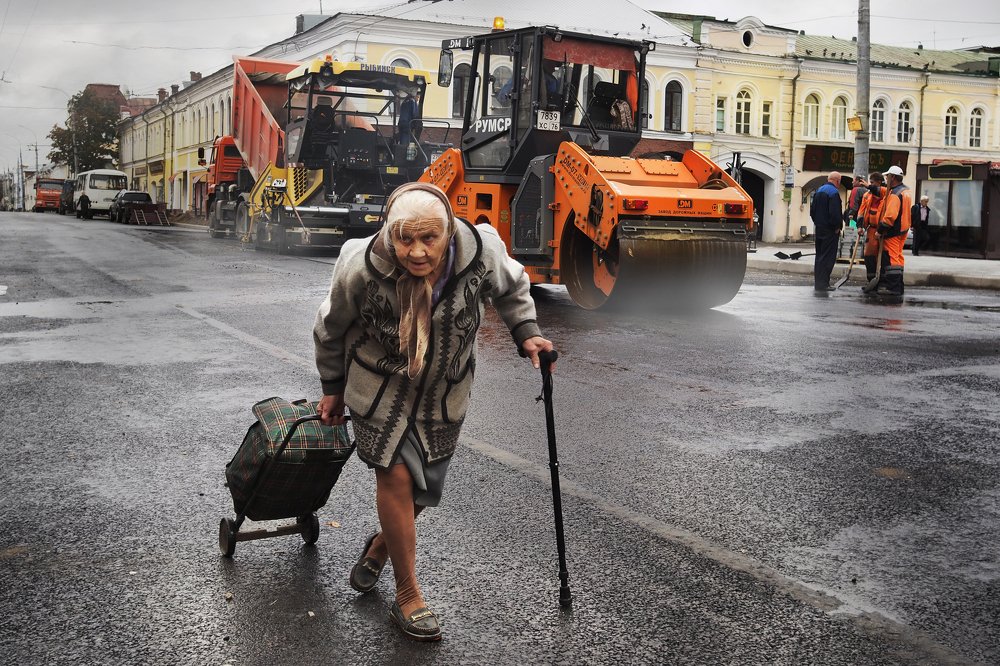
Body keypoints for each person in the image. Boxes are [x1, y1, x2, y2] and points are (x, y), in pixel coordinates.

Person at [313, 182, 554, 642]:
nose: (417, 252)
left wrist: (527, 332)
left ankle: (383, 546)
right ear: (389, 232)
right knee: (397, 477)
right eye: (405, 239)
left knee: (423, 487)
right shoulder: (360, 263)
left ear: (447, 232)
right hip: (379, 387)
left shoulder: (479, 249)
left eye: (429, 239)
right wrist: (332, 388)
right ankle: (408, 595)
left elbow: (512, 285)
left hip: (445, 392)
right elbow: (329, 326)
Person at [872, 164, 912, 296]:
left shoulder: (895, 194)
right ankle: (899, 287)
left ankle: (893, 288)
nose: (885, 179)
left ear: (893, 177)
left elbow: (890, 216)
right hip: (902, 230)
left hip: (893, 231)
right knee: (899, 258)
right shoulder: (904, 191)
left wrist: (880, 230)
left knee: (892, 259)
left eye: (887, 176)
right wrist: (869, 186)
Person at [809, 171, 843, 291]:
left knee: (819, 256)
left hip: (819, 229)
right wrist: (837, 227)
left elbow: (812, 211)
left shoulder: (819, 191)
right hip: (830, 230)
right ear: (837, 181)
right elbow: (835, 213)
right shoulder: (833, 193)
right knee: (828, 257)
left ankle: (818, 283)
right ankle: (824, 284)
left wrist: (817, 223)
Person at [857, 171, 888, 286]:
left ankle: (883, 282)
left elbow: (880, 191)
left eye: (872, 183)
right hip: (871, 230)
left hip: (884, 231)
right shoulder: (867, 196)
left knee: (884, 256)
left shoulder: (886, 193)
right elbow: (861, 212)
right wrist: (860, 227)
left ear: (879, 182)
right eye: (870, 183)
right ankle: (871, 281)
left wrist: (868, 186)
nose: (870, 185)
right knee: (869, 255)